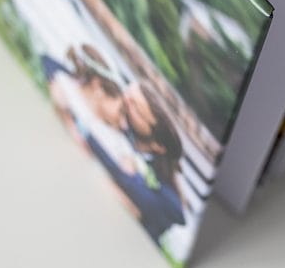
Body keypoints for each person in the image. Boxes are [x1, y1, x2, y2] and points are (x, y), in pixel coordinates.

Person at [42, 44, 186, 242]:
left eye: (134, 107)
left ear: (157, 145)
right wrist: (69, 118)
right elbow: (50, 62)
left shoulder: (160, 181)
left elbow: (172, 214)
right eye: (128, 96)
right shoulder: (121, 130)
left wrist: (127, 178)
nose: (124, 100)